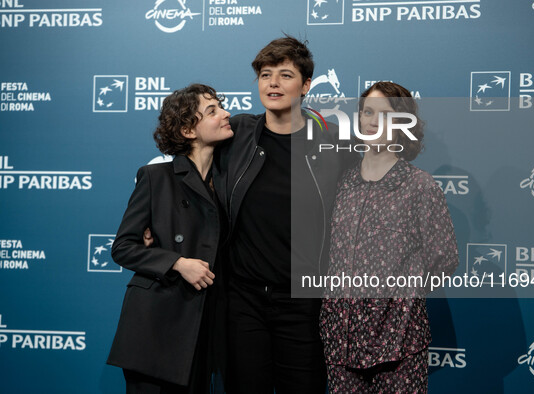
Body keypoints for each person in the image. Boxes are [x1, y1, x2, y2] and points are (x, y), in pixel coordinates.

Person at [213, 36, 358, 393]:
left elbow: (370, 199)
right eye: (265, 74)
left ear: (306, 85)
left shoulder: (335, 144)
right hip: (243, 299)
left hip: (304, 303)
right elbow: (184, 171)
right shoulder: (236, 135)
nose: (273, 83)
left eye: (285, 74)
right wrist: (160, 222)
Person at [319, 82, 459, 393]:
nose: (373, 121)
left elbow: (444, 258)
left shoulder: (419, 186)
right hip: (340, 342)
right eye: (368, 112)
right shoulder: (342, 183)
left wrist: (399, 304)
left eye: (385, 114)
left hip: (398, 345)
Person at [107, 83, 233, 393]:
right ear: (189, 130)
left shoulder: (229, 185)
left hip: (204, 332)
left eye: (221, 106)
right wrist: (177, 262)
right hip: (155, 330)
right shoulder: (155, 178)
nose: (226, 114)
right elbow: (123, 248)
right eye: (213, 110)